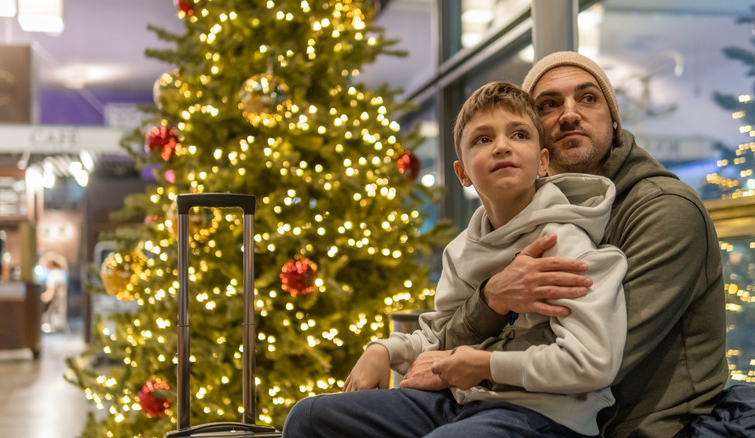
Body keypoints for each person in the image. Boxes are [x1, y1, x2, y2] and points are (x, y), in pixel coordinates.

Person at [405, 52, 729, 437]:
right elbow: (455, 330)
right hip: (506, 404)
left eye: (588, 98)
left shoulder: (664, 209)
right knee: (319, 416)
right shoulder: (531, 214)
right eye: (549, 105)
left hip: (640, 425)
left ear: (614, 121)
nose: (570, 114)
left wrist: (463, 361)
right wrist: (490, 298)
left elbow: (602, 354)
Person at [283, 81, 629, 437]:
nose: (502, 146)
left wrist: (485, 364)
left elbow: (591, 363)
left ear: (543, 162)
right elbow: (442, 336)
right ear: (462, 172)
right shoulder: (460, 249)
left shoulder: (565, 240)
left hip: (545, 414)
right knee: (309, 417)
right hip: (461, 403)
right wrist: (384, 350)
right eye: (483, 139)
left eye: (519, 134)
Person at [40, 251, 69, 333]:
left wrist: (38, 299)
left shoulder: (53, 275)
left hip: (53, 317)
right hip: (61, 313)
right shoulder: (60, 274)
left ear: (50, 263)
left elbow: (50, 295)